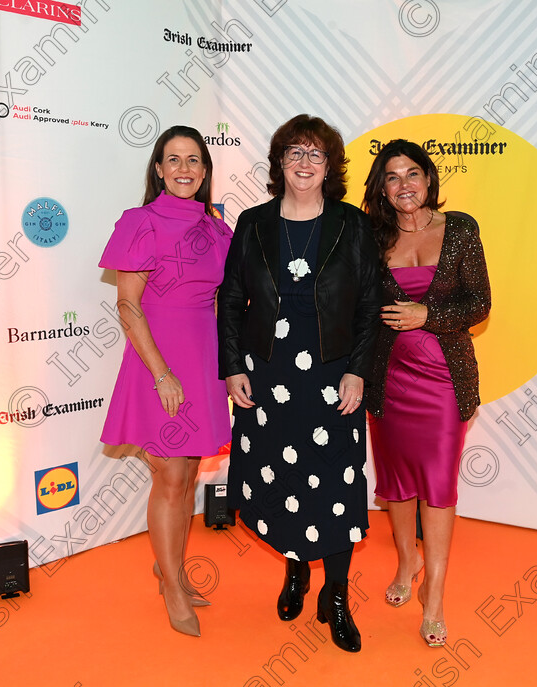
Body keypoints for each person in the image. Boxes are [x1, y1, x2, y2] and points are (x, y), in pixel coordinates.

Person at [218, 114, 381, 653]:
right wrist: (234, 366)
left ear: (330, 165)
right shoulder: (252, 223)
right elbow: (231, 301)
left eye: (315, 154)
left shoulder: (352, 225)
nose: (304, 163)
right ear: (279, 162)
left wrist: (359, 369)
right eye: (295, 152)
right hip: (269, 372)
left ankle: (335, 596)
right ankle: (294, 571)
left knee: (334, 486)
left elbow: (367, 307)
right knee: (281, 477)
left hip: (334, 373)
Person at [98, 125, 233, 636]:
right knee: (170, 477)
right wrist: (162, 374)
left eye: (193, 160)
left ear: (205, 170)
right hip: (159, 361)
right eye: (173, 160)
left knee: (189, 471)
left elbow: (225, 302)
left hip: (201, 360)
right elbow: (128, 306)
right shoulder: (141, 222)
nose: (184, 169)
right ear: (158, 169)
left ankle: (169, 566)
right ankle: (172, 585)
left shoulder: (218, 228)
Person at [362, 139, 490, 647]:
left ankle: (433, 594)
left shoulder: (459, 228)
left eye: (412, 173)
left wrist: (427, 316)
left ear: (429, 178)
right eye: (392, 177)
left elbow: (479, 302)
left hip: (443, 377)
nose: (404, 185)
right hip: (388, 376)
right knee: (394, 481)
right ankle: (406, 561)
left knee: (437, 485)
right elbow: (360, 304)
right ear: (382, 189)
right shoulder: (372, 238)